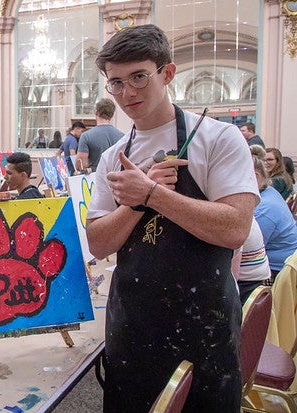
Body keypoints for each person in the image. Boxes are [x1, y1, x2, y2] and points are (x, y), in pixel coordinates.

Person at [86, 24, 258, 412]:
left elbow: (235, 228)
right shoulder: (114, 156)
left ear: (167, 73)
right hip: (132, 324)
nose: (127, 93)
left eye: (139, 77)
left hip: (205, 325)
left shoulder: (218, 139)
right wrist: (134, 203)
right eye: (115, 82)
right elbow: (98, 243)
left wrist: (152, 194)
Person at [252, 145, 297, 278]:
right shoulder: (269, 191)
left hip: (279, 271)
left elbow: (246, 251)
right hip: (286, 260)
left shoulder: (264, 209)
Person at [77, 98, 124, 172]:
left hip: (95, 179)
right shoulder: (122, 137)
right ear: (111, 114)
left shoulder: (86, 136)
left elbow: (80, 164)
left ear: (97, 112)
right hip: (115, 179)